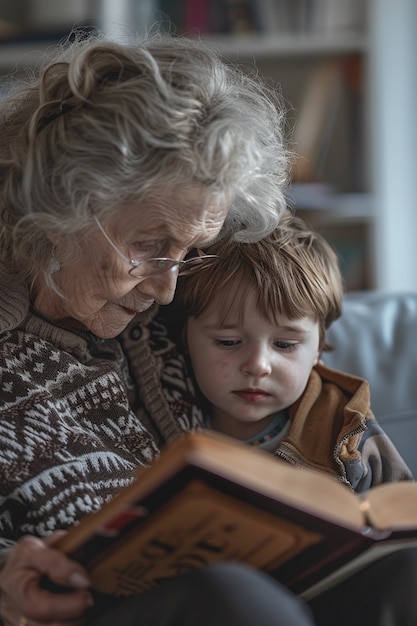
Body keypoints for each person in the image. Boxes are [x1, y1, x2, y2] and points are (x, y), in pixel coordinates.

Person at [0, 27, 320, 626]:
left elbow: (305, 376)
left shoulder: (191, 311)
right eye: (149, 247)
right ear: (55, 210)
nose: (167, 288)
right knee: (231, 601)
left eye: (191, 250)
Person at [168, 210, 413, 489]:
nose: (258, 365)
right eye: (228, 342)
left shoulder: (347, 431)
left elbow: (400, 515)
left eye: (284, 344)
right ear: (185, 337)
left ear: (318, 349)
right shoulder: (156, 415)